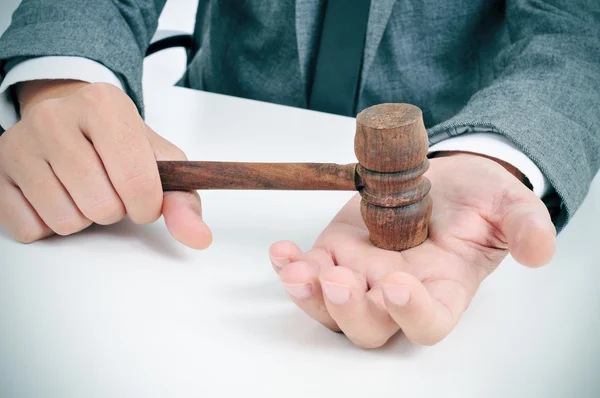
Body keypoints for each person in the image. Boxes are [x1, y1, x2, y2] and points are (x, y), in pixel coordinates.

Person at [0, 0, 598, 349]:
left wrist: (493, 152)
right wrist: (63, 79)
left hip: (458, 125)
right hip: (214, 112)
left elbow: (577, 26)